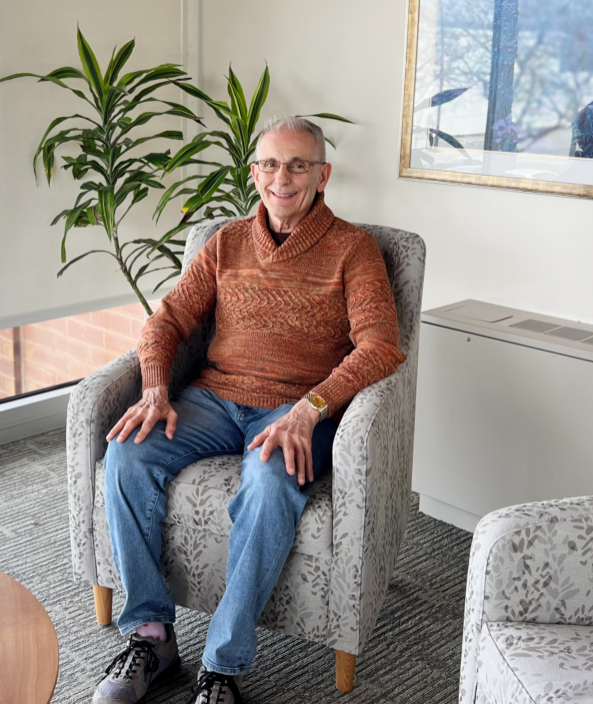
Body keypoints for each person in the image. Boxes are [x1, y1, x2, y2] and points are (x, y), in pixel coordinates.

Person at [93, 116, 406, 704]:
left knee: (268, 482)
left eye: (296, 165)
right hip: (213, 398)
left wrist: (311, 408)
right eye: (268, 164)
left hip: (294, 410)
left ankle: (221, 665)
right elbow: (168, 319)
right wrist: (156, 388)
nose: (280, 178)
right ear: (253, 171)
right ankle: (152, 637)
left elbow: (381, 346)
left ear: (322, 175)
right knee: (127, 453)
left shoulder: (353, 250)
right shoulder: (228, 241)